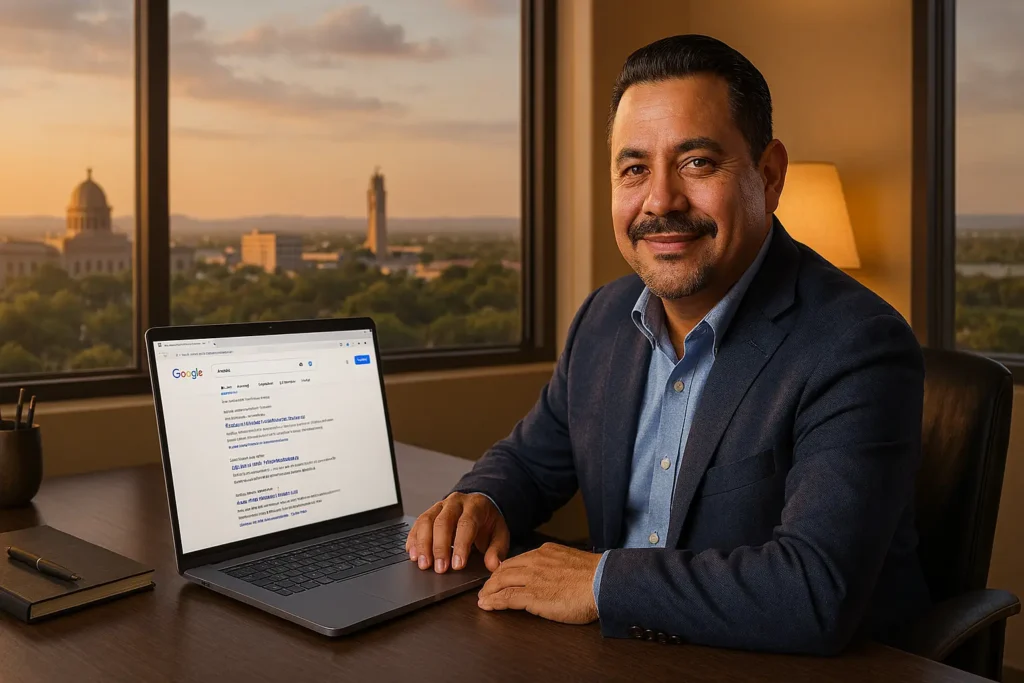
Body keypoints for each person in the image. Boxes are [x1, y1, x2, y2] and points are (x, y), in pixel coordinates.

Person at [404, 34, 930, 655]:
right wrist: (482, 500)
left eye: (697, 163)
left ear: (769, 174)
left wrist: (600, 582)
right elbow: (530, 460)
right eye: (634, 169)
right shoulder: (603, 319)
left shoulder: (857, 345)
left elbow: (815, 590)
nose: (660, 201)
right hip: (624, 656)